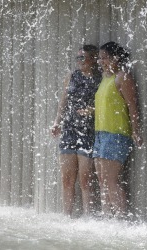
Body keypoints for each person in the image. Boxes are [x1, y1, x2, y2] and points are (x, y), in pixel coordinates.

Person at [51, 45, 101, 216]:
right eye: (77, 58)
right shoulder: (72, 76)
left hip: (88, 131)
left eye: (83, 57)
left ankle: (88, 217)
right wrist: (57, 122)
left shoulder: (100, 79)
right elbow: (63, 101)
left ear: (94, 59)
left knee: (86, 179)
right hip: (69, 130)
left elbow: (108, 104)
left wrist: (93, 110)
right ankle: (67, 216)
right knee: (67, 179)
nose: (79, 61)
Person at [94, 41, 142, 218]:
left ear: (116, 58)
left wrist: (136, 130)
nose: (101, 62)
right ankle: (107, 217)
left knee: (111, 179)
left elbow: (132, 106)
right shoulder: (105, 78)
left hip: (117, 134)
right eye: (100, 59)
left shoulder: (123, 77)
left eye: (104, 58)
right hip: (100, 133)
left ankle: (121, 218)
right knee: (101, 180)